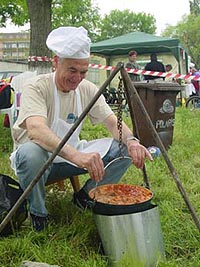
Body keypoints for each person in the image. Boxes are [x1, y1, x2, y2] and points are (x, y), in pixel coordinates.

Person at [10, 26, 152, 232]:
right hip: (38, 165)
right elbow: (36, 130)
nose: (77, 78)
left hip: (70, 156)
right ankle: (38, 212)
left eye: (83, 71)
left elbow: (113, 122)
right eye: (72, 70)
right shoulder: (37, 87)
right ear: (56, 63)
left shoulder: (87, 89)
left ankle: (85, 197)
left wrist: (131, 141)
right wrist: (76, 156)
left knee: (122, 148)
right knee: (32, 152)